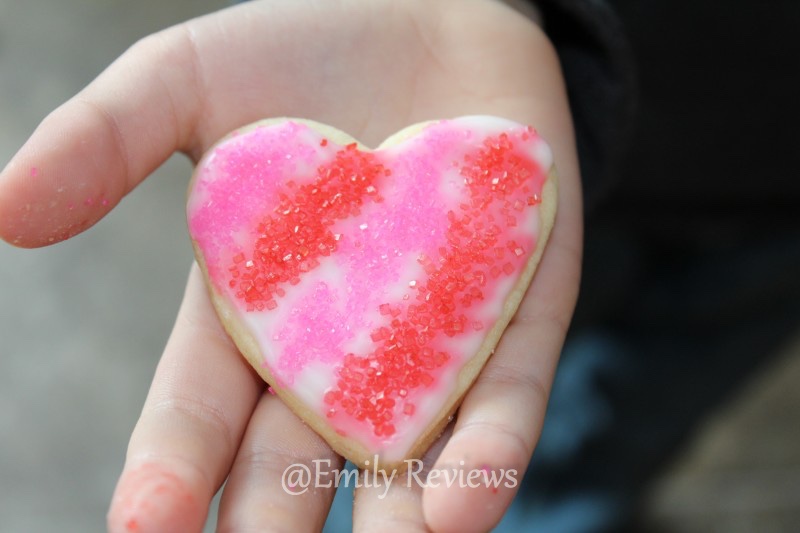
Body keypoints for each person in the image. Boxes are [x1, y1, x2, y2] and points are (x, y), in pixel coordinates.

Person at [1, 0, 797, 531]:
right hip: (580, 83)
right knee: (487, 438)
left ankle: (573, 494)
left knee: (650, 392)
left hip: (774, 205)